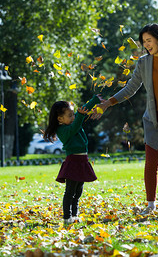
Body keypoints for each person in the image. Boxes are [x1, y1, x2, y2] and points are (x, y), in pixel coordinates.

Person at [92, 24, 158, 215]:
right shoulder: (143, 63)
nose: (146, 45)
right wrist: (107, 103)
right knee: (151, 164)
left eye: (149, 40)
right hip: (153, 119)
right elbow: (130, 89)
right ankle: (151, 205)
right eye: (144, 42)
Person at [44, 95, 102, 225]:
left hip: (82, 161)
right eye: (70, 115)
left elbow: (82, 110)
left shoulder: (72, 121)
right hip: (73, 162)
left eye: (73, 114)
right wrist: (80, 116)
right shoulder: (63, 130)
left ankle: (75, 215)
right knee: (70, 192)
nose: (73, 117)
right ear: (60, 118)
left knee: (78, 191)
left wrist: (95, 100)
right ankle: (67, 217)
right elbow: (74, 127)